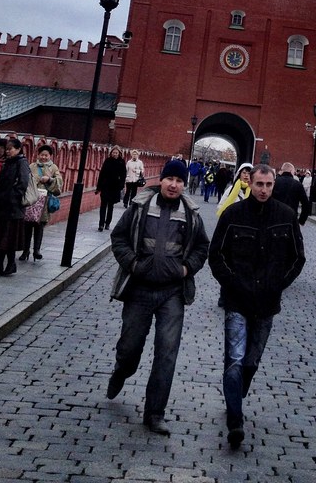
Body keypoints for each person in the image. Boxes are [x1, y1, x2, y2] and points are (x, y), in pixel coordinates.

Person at [107, 158, 209, 436]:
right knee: (130, 347)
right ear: (161, 180)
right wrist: (133, 264)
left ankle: (155, 413)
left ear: (184, 184)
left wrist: (186, 269)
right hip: (139, 288)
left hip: (172, 292)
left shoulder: (191, 213)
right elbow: (119, 238)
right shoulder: (141, 206)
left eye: (179, 181)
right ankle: (122, 370)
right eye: (170, 179)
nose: (174, 185)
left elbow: (202, 247)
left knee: (167, 353)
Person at [209, 165, 305, 450]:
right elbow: (216, 255)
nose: (264, 189)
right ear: (249, 183)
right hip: (237, 300)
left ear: (274, 184)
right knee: (235, 360)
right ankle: (235, 421)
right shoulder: (233, 215)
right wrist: (232, 283)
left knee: (251, 361)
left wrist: (278, 284)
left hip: (267, 303)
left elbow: (298, 258)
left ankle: (237, 392)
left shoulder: (285, 216)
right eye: (259, 184)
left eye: (268, 185)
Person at [0, 137, 31, 277]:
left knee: (9, 237)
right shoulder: (9, 162)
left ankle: (10, 264)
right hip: (4, 206)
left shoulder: (21, 162)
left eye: (11, 149)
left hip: (13, 207)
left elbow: (23, 183)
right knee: (2, 236)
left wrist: (11, 197)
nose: (8, 151)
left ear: (18, 149)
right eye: (7, 149)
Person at [21, 145, 63, 261]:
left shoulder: (53, 167)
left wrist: (49, 179)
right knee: (27, 226)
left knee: (39, 227)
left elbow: (59, 181)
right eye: (42, 155)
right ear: (38, 155)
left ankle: (36, 250)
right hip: (31, 199)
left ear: (50, 156)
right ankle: (25, 251)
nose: (43, 157)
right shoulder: (32, 166)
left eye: (46, 155)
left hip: (44, 201)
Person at [96, 145, 127, 230]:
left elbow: (123, 175)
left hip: (115, 187)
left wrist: (121, 185)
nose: (115, 154)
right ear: (111, 153)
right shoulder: (107, 161)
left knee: (110, 206)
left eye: (116, 153)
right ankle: (101, 224)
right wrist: (99, 187)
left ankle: (107, 223)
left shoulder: (121, 162)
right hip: (105, 186)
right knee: (103, 205)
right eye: (113, 152)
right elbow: (102, 174)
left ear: (119, 153)